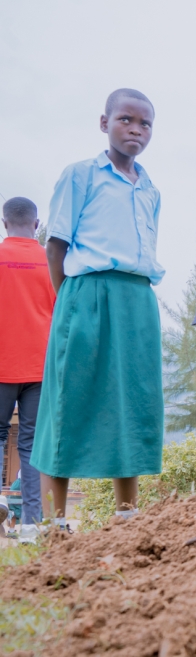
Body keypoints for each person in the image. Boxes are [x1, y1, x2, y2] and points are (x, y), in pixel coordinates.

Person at [32, 89, 164, 528]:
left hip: (137, 300)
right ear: (104, 123)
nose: (136, 130)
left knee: (133, 401)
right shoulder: (81, 175)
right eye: (126, 119)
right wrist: (69, 303)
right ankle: (54, 525)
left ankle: (127, 518)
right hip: (85, 293)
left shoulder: (150, 190)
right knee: (70, 399)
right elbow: (56, 246)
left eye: (145, 124)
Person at [0, 197, 55, 534]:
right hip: (40, 368)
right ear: (36, 225)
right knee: (33, 444)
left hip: (1, 366)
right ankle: (33, 526)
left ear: (5, 223)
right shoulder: (52, 261)